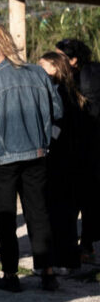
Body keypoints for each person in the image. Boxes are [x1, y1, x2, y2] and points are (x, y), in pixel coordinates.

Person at [0, 23, 62, 292]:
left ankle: (10, 275)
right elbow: (57, 109)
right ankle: (48, 272)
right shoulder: (39, 75)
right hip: (37, 153)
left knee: (6, 216)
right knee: (38, 212)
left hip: (2, 158)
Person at [54, 38, 100, 264]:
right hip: (93, 145)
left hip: (77, 146)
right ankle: (87, 246)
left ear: (73, 59)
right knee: (90, 198)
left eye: (60, 56)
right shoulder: (95, 71)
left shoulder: (70, 81)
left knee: (72, 199)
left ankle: (74, 248)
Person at [39, 52, 85, 273]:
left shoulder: (60, 93)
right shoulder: (69, 91)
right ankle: (67, 259)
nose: (39, 70)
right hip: (70, 159)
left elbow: (60, 125)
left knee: (59, 211)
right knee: (64, 212)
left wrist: (48, 141)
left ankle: (62, 260)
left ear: (55, 68)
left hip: (60, 159)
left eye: (43, 66)